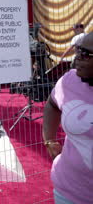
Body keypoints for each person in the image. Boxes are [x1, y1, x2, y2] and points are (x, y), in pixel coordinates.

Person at [42, 32, 93, 204]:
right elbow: (52, 104)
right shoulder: (70, 80)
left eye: (85, 54)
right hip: (69, 191)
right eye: (78, 50)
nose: (76, 57)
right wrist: (49, 139)